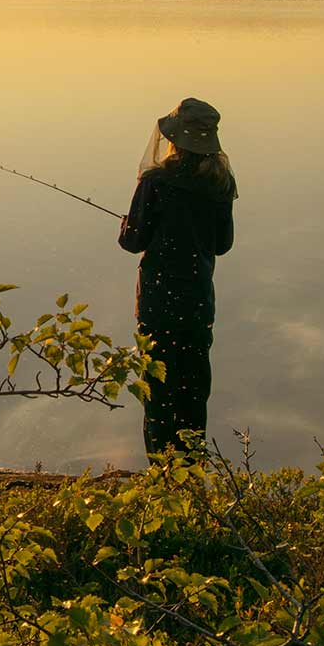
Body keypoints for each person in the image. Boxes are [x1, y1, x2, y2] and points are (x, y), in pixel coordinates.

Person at [118, 97, 237, 457]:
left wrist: (128, 226)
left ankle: (161, 477)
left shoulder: (156, 182)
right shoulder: (221, 184)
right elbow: (222, 244)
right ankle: (192, 475)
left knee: (158, 394)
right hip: (198, 305)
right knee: (193, 391)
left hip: (158, 305)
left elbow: (132, 241)